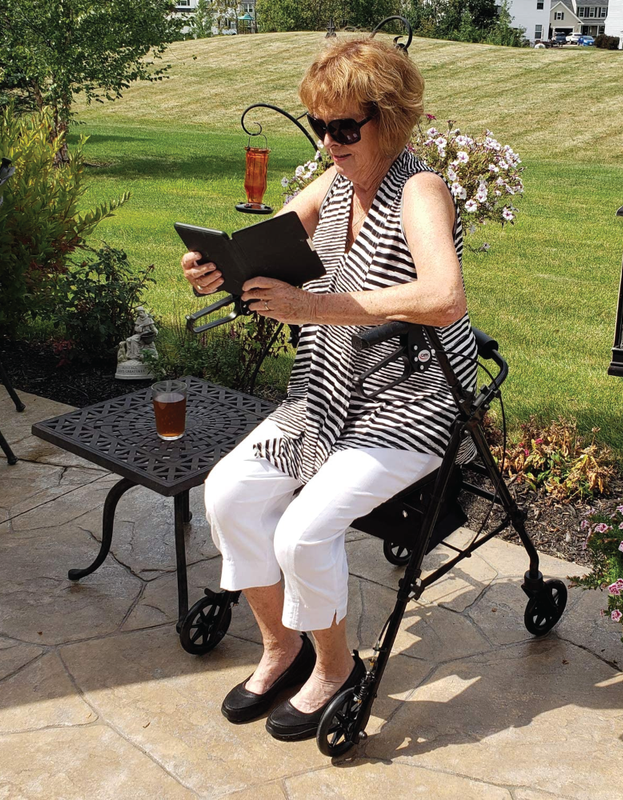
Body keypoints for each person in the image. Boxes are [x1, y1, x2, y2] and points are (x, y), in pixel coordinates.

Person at [180, 37, 477, 742]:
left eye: (347, 127)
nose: (331, 141)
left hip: (411, 399)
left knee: (304, 532)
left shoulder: (418, 189)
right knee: (227, 493)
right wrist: (218, 268)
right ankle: (283, 647)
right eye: (322, 126)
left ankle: (335, 667)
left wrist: (310, 307)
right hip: (331, 392)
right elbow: (270, 245)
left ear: (392, 119)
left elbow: (443, 297)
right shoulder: (336, 184)